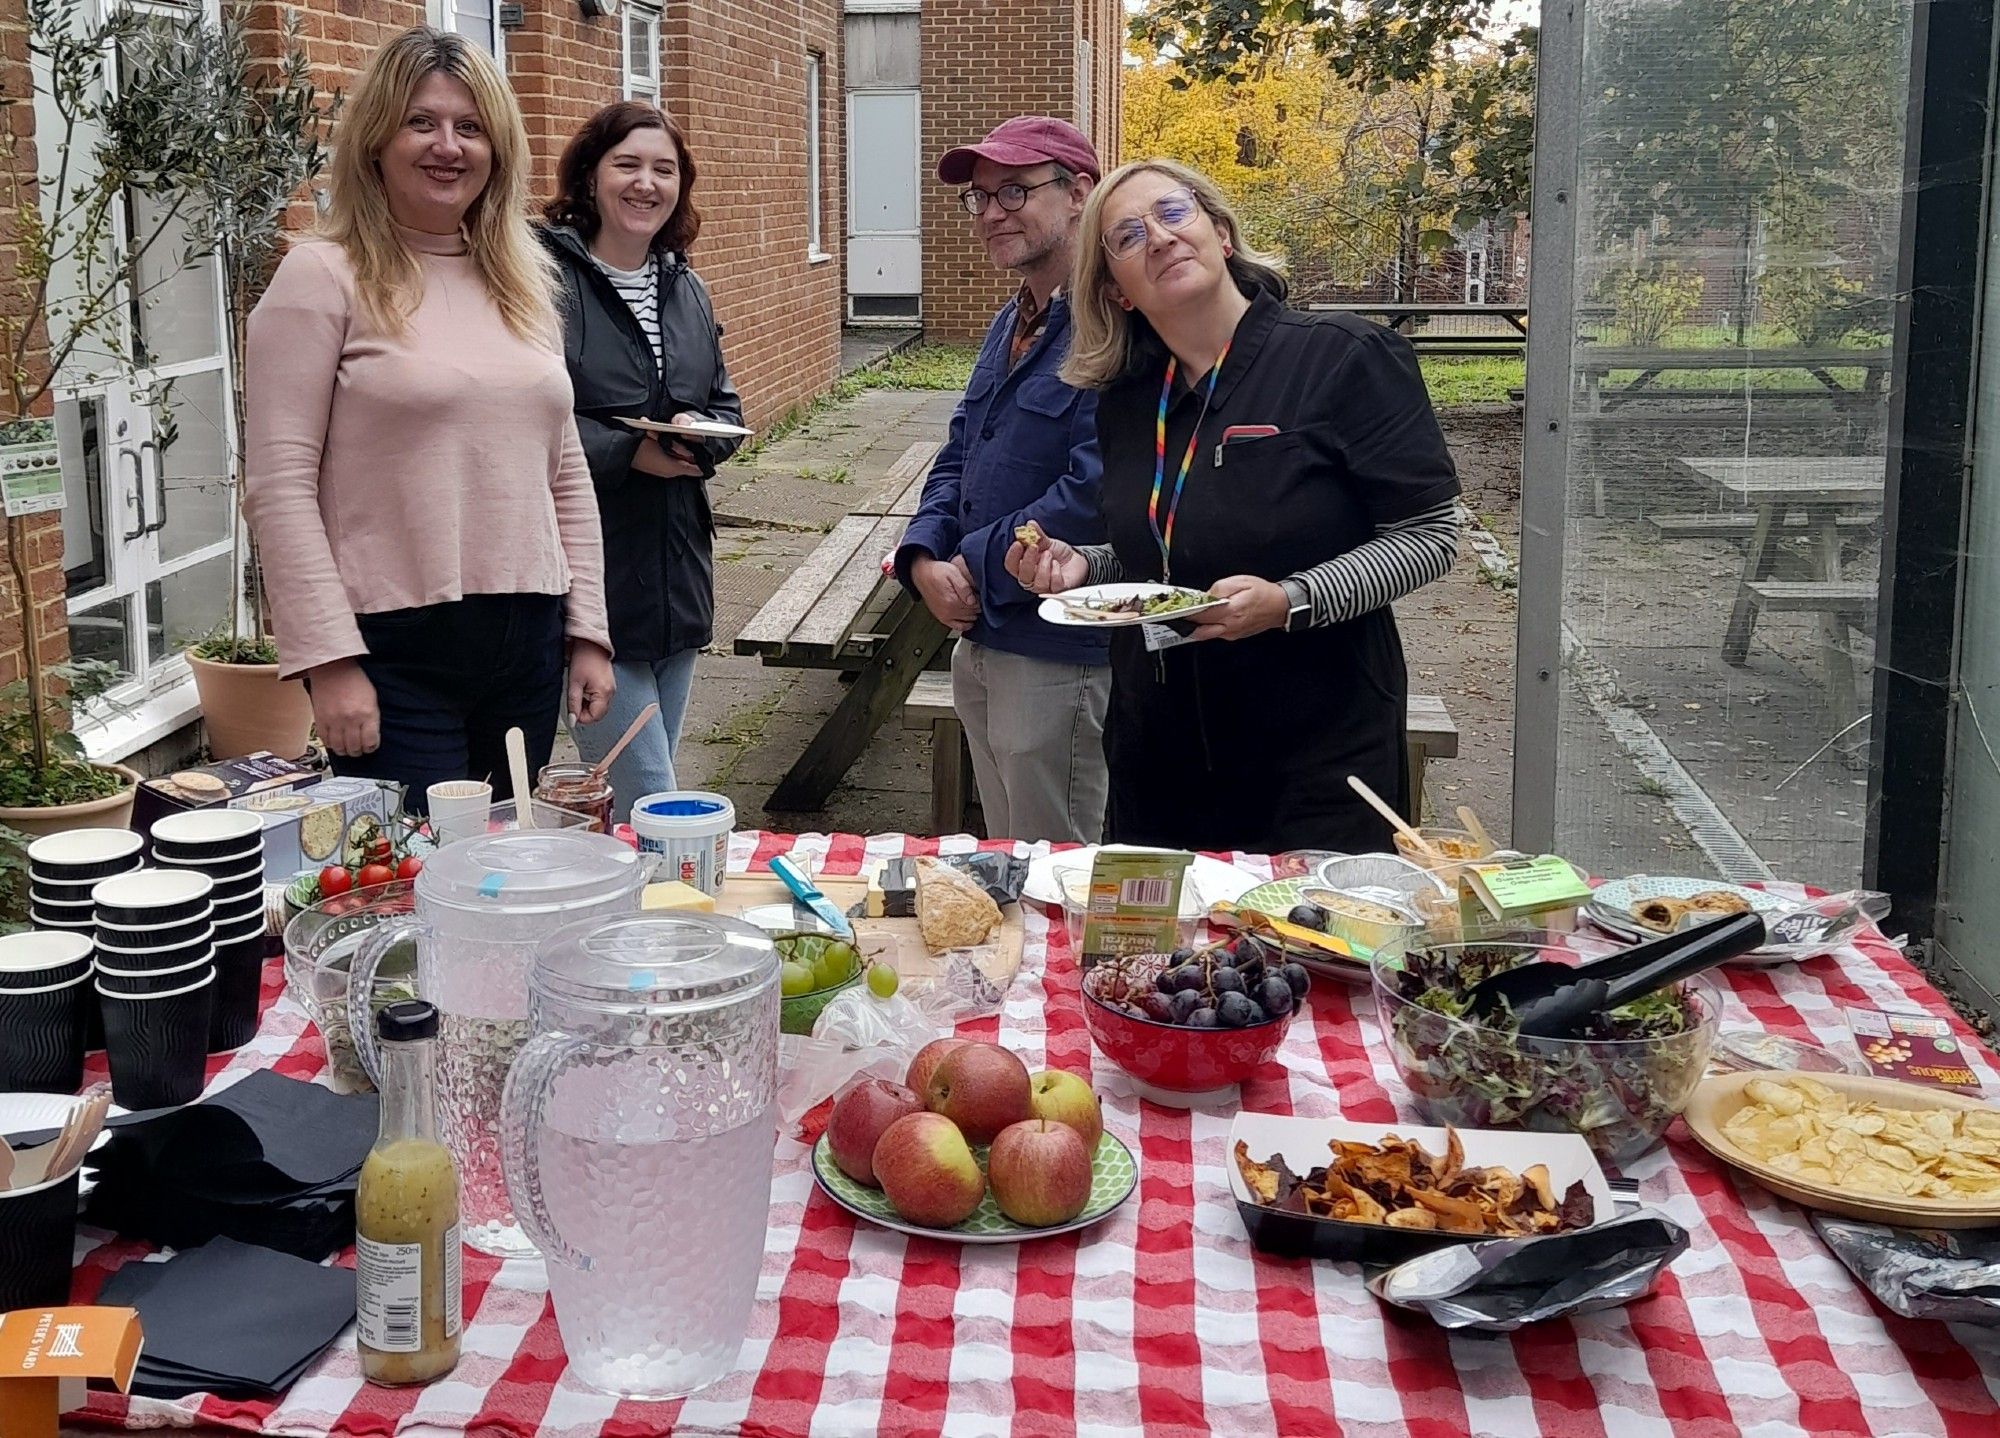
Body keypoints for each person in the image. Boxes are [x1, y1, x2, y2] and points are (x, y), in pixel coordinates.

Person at [1007, 159, 1462, 853]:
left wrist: (1291, 598)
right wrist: (1082, 567)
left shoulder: (1344, 358)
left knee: (1309, 953)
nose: (1158, 238)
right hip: (1156, 752)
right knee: (1163, 953)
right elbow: (1150, 557)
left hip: (1315, 751)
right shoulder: (1127, 398)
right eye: (1127, 236)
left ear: (1220, 233)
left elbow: (1429, 535)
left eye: (1173, 213)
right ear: (1116, 291)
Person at [244, 27, 613, 809]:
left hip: (527, 640)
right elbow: (279, 485)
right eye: (422, 122)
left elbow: (565, 472)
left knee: (509, 870)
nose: (447, 146)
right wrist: (327, 661)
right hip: (393, 652)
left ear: (498, 150)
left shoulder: (523, 280)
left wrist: (587, 632)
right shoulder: (321, 278)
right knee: (413, 892)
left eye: (470, 127)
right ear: (377, 138)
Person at [894, 117, 1112, 845]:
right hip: (981, 636)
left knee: (1060, 878)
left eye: (1014, 191)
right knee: (1008, 863)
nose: (990, 213)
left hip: (1058, 650)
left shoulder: (1115, 327)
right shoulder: (1009, 319)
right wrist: (921, 557)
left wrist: (969, 566)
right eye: (979, 198)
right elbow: (959, 450)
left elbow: (1095, 491)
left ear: (1078, 192)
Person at [539, 102, 744, 821]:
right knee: (657, 800)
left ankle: (620, 918)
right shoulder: (543, 282)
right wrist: (631, 453)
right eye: (627, 164)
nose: (646, 184)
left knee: (640, 800)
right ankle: (667, 920)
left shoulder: (684, 286)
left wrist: (703, 434)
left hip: (677, 576)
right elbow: (526, 421)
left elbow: (726, 404)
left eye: (664, 169)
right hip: (591, 580)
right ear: (590, 176)